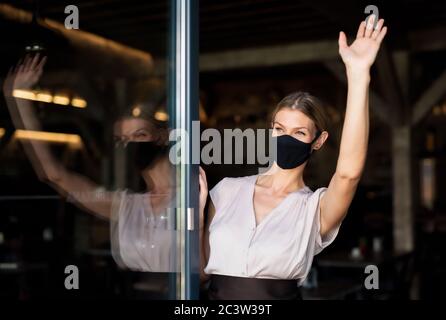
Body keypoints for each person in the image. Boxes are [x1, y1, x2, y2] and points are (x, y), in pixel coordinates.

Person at [199, 16, 388, 300]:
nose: (286, 138)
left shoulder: (315, 209)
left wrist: (358, 74)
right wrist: (194, 215)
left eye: (299, 132)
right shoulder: (226, 190)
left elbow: (348, 173)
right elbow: (200, 271)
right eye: (279, 129)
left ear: (318, 141)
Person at [2, 54, 178, 273]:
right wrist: (17, 99)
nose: (132, 142)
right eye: (125, 139)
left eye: (140, 134)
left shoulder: (194, 199)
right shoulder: (127, 206)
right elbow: (54, 174)